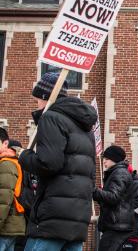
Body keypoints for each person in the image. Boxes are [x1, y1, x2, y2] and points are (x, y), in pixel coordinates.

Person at [15, 72, 97, 251]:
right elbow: (91, 174)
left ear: (45, 97)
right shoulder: (86, 128)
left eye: (37, 99)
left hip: (52, 218)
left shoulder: (51, 117)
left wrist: (24, 156)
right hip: (77, 218)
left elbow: (49, 163)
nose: (36, 104)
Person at [93, 146, 137, 251]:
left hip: (116, 227)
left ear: (115, 159)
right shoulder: (117, 172)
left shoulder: (119, 173)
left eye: (107, 159)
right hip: (115, 225)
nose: (104, 162)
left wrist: (94, 191)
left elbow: (114, 197)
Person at [0, 128, 25, 251]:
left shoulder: (6, 164)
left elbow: (3, 199)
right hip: (10, 226)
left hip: (5, 227)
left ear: (5, 143)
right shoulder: (10, 161)